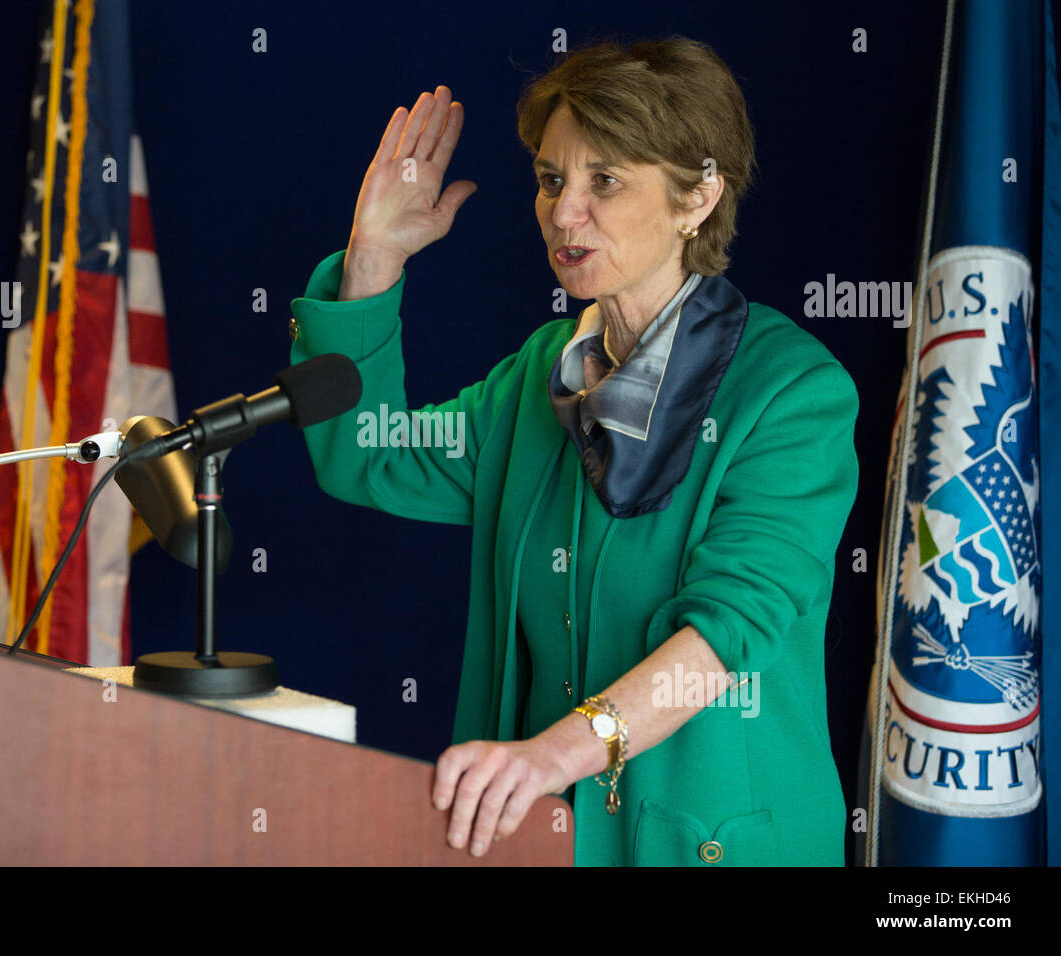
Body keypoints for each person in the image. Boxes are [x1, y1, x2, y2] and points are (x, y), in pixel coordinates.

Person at [287, 37, 859, 866]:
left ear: (698, 196)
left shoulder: (792, 391)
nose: (563, 212)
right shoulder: (539, 376)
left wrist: (554, 753)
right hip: (545, 844)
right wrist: (375, 257)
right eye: (552, 179)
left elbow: (724, 637)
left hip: (717, 846)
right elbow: (369, 457)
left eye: (606, 181)